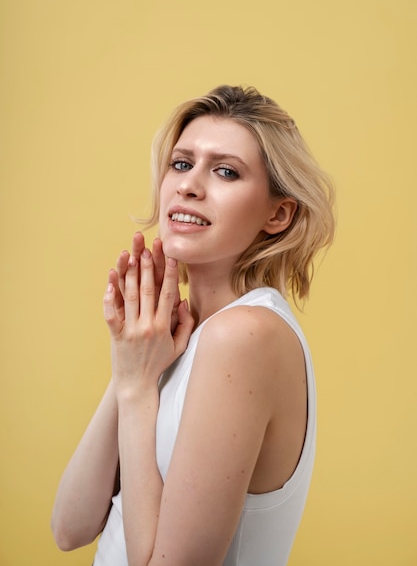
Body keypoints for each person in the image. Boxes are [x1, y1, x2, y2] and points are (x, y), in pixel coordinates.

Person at [51, 84, 335, 566]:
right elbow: (70, 526)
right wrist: (130, 368)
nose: (188, 185)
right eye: (181, 164)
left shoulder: (244, 335)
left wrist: (140, 392)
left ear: (278, 213)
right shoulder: (178, 338)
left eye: (225, 171)